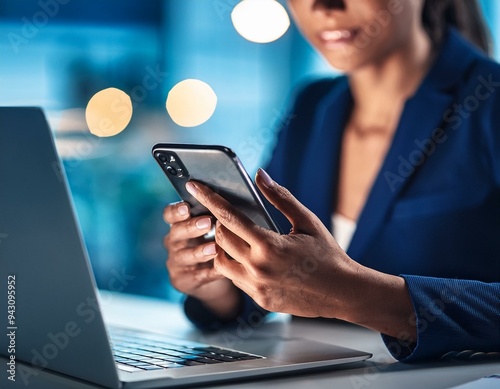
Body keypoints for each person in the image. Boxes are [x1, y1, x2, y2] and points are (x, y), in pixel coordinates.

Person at [162, 0, 500, 362]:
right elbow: (276, 272)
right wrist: (218, 282)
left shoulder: (489, 104)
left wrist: (354, 295)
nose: (323, 7)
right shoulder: (312, 106)